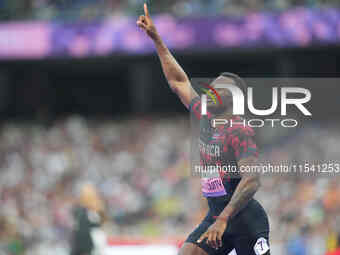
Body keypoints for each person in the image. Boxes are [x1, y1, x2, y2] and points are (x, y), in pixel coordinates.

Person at [137, 4, 270, 255]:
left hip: (245, 221)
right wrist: (156, 39)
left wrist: (224, 219)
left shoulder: (238, 130)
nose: (209, 91)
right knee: (187, 252)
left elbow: (252, 179)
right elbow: (178, 81)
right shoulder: (205, 116)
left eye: (217, 88)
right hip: (216, 215)